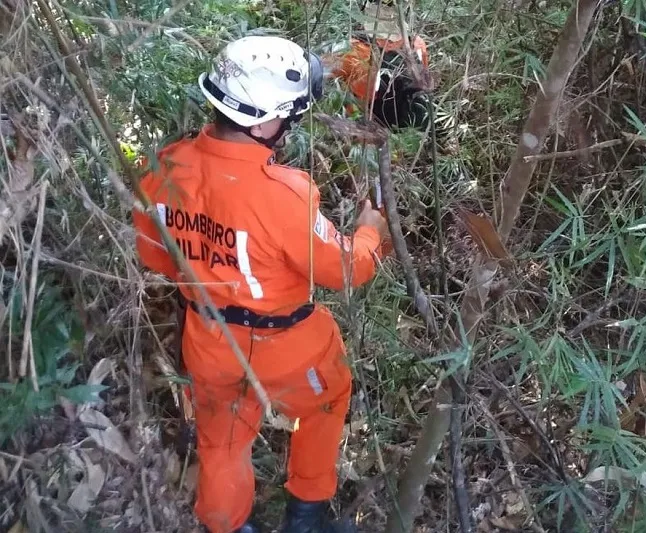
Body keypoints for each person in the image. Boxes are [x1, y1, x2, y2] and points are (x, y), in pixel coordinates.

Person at [132, 35, 389, 533]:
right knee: (329, 396)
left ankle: (224, 524)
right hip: (285, 344)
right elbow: (346, 271)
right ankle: (306, 515)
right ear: (266, 119)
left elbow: (155, 256)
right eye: (290, 114)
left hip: (206, 339)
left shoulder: (161, 167)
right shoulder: (283, 195)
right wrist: (370, 233)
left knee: (221, 437)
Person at [330, 0, 432, 131]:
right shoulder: (416, 44)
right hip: (411, 129)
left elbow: (334, 89)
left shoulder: (355, 49)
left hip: (368, 131)